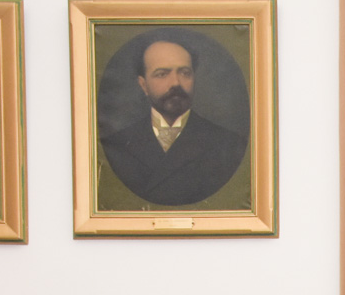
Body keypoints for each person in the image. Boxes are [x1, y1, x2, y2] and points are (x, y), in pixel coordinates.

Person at [99, 37, 248, 207]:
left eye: (185, 73)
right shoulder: (115, 145)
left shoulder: (229, 145)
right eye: (162, 74)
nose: (176, 83)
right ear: (143, 85)